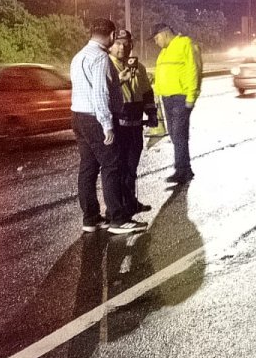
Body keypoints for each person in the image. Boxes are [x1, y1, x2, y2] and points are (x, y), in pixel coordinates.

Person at [70, 18, 145, 234]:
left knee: (88, 168)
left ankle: (91, 218)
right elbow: (99, 93)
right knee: (112, 166)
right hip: (94, 118)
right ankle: (118, 220)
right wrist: (107, 125)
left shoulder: (79, 56)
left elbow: (89, 87)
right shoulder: (101, 57)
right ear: (111, 36)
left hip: (78, 116)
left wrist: (118, 80)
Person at [109, 29, 157, 215]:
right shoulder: (108, 67)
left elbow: (147, 93)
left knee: (131, 167)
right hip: (118, 127)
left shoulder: (140, 68)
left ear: (131, 45)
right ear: (111, 46)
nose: (122, 47)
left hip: (136, 126)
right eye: (118, 43)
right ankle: (119, 207)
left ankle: (130, 202)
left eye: (126, 43)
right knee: (119, 169)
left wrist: (152, 114)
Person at [151, 23, 203, 184]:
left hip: (180, 97)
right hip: (167, 97)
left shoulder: (185, 44)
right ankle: (185, 169)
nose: (156, 42)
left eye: (156, 38)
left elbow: (194, 70)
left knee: (179, 134)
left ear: (165, 33)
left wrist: (191, 97)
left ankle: (181, 170)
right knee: (174, 134)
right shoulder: (164, 52)